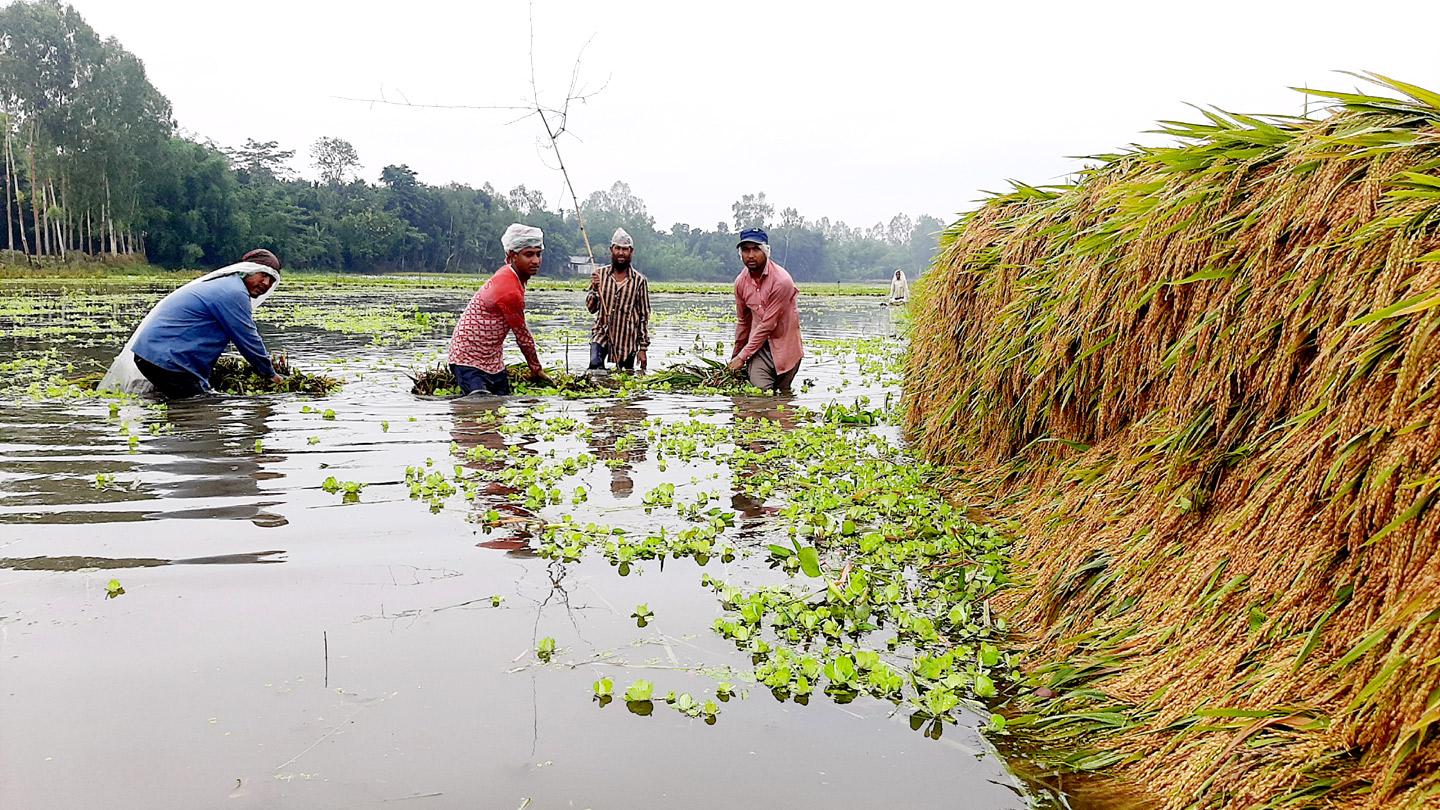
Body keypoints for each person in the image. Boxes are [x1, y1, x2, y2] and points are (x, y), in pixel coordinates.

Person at [99, 249, 285, 398]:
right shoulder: (233, 292)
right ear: (247, 270)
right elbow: (247, 338)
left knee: (182, 405)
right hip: (167, 361)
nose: (266, 283)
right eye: (263, 275)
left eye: (272, 280)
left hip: (155, 357)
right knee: (201, 407)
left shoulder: (226, 286)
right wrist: (270, 374)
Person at [447, 223, 552, 395]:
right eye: (529, 255)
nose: (535, 261)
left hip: (492, 360)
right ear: (512, 255)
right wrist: (536, 368)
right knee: (478, 406)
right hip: (467, 358)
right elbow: (522, 335)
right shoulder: (509, 288)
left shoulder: (513, 275)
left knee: (500, 406)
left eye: (539, 254)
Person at [727, 228, 803, 394]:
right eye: (746, 250)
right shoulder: (740, 283)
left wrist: (741, 357)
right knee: (760, 394)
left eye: (756, 249)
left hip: (786, 349)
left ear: (766, 251)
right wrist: (735, 356)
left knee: (783, 396)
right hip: (759, 349)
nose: (751, 255)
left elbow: (768, 324)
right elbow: (743, 322)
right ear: (741, 254)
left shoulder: (782, 281)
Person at [586, 227, 651, 372]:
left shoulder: (639, 281)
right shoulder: (600, 275)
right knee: (595, 366)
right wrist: (595, 289)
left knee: (625, 376)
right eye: (618, 248)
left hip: (627, 339)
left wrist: (643, 348)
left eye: (625, 249)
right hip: (602, 333)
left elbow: (643, 316)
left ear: (631, 252)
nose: (621, 253)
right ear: (611, 250)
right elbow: (591, 308)